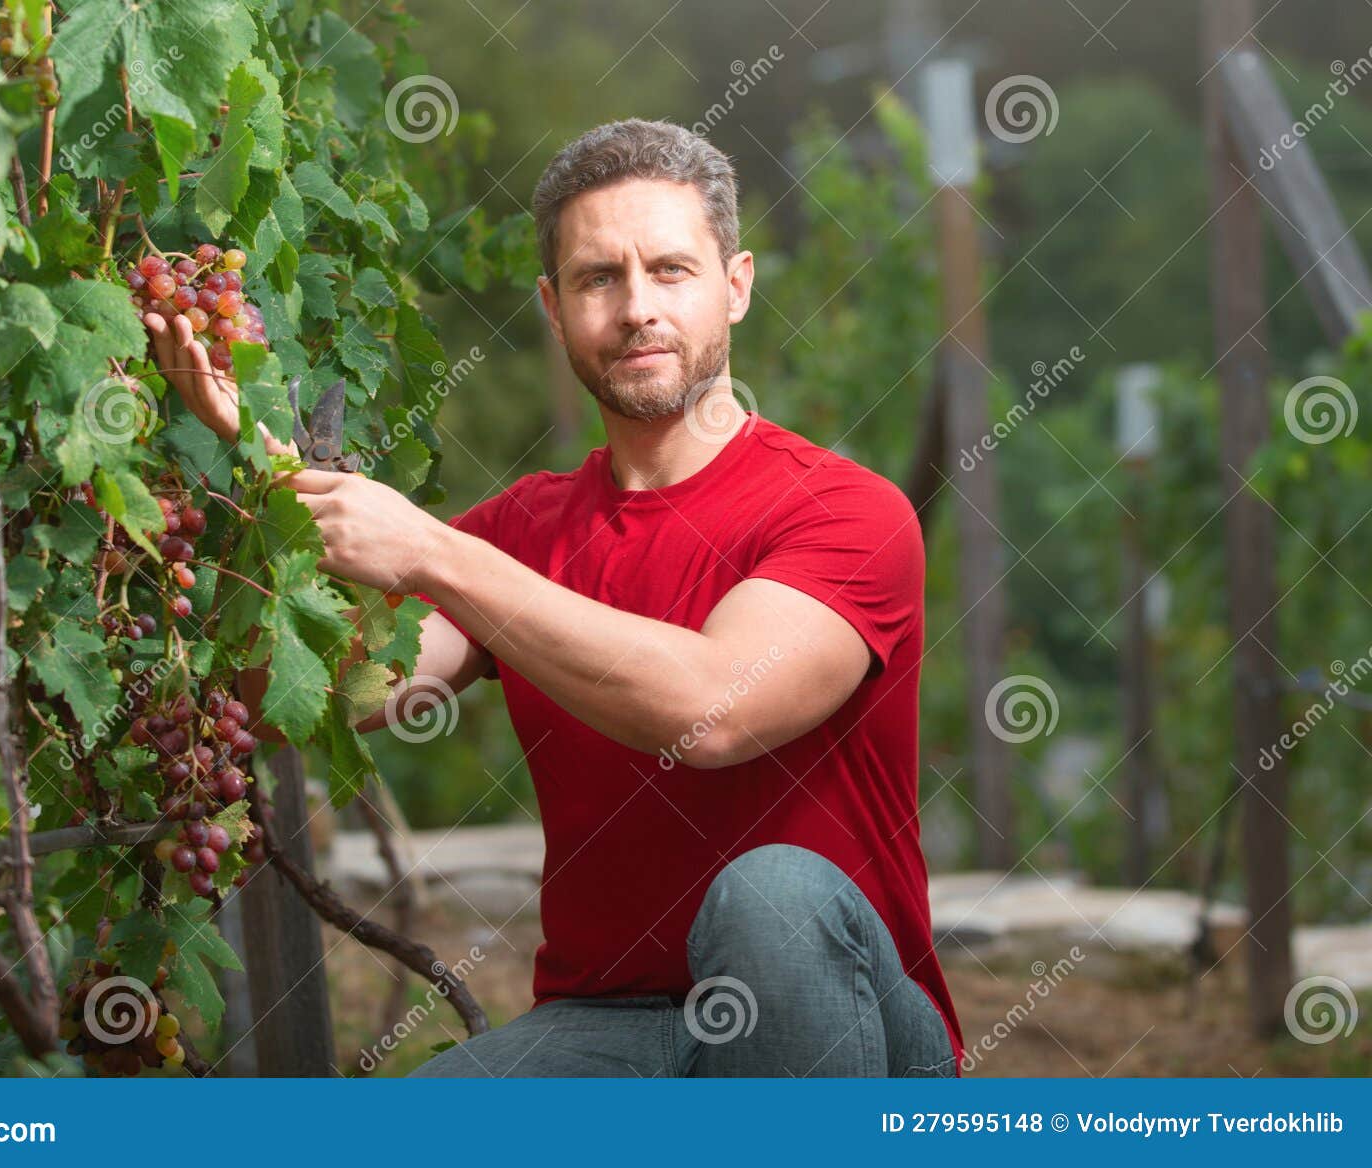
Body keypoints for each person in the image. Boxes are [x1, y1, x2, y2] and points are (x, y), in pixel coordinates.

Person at [147, 117, 963, 1078]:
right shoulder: (521, 533)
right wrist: (271, 484)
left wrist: (433, 553)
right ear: (552, 305)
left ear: (736, 286)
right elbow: (333, 701)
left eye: (670, 270)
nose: (635, 310)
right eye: (597, 279)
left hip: (846, 1033)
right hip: (613, 1029)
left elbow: (712, 710)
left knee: (773, 897)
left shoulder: (848, 512)